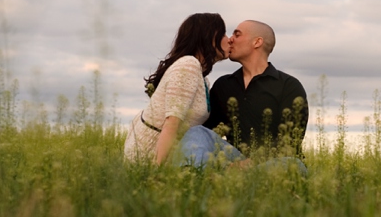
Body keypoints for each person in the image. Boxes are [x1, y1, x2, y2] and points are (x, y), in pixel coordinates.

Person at [179, 20, 309, 169]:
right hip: (232, 159)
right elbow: (209, 133)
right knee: (198, 131)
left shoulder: (288, 86)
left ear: (257, 42)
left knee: (293, 165)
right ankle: (191, 179)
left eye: (237, 34)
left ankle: (223, 181)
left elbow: (290, 140)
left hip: (271, 163)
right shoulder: (223, 85)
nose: (230, 39)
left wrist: (245, 166)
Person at [123, 13, 229, 164]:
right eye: (223, 33)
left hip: (173, 152)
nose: (229, 39)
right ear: (209, 37)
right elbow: (172, 123)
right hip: (152, 153)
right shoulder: (188, 65)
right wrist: (157, 172)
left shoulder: (202, 78)